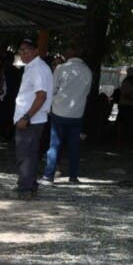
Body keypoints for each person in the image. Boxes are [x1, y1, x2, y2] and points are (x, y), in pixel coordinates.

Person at [41, 43, 92, 185]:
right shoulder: (87, 70)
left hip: (59, 111)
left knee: (54, 145)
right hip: (77, 112)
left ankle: (49, 176)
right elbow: (87, 92)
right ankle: (73, 176)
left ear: (67, 55)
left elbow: (52, 89)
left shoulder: (61, 69)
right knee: (74, 146)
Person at [13, 37, 52, 197]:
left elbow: (41, 96)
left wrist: (27, 117)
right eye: (21, 50)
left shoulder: (38, 69)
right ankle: (30, 185)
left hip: (31, 120)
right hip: (31, 119)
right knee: (29, 154)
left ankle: (25, 189)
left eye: (27, 50)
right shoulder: (32, 67)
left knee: (26, 155)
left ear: (36, 51)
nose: (23, 53)